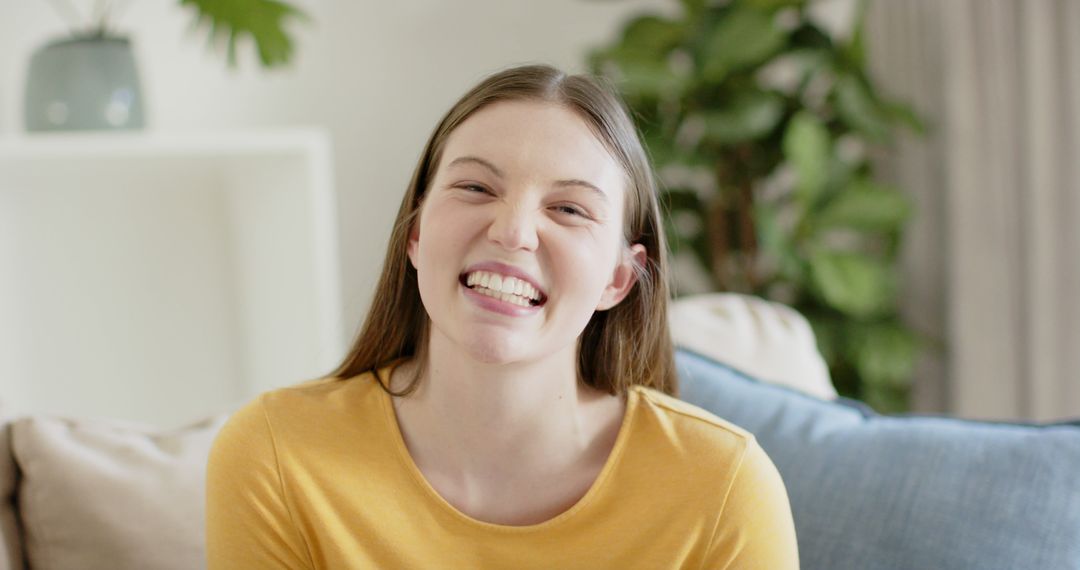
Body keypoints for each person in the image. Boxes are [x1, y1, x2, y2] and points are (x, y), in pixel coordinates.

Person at [205, 63, 799, 569]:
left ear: (619, 278)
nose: (512, 232)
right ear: (416, 234)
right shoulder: (276, 456)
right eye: (475, 188)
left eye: (568, 208)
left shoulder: (724, 488)